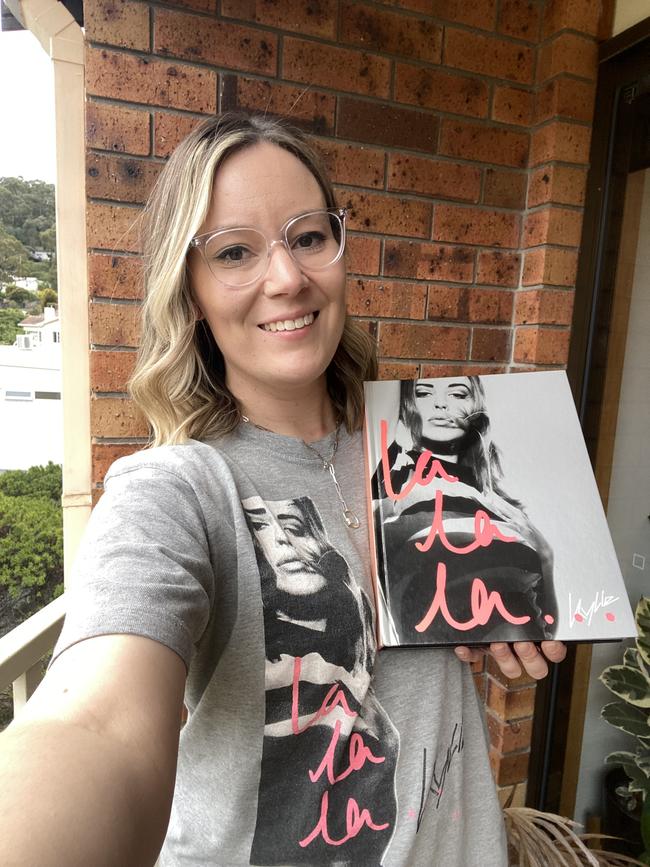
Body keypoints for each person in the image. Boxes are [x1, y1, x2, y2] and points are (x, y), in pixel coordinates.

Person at [0, 113, 566, 867]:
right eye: (235, 251)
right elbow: (93, 725)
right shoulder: (179, 489)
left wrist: (487, 597)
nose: (287, 277)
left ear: (338, 248)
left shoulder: (423, 444)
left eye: (307, 236)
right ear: (191, 290)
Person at [371, 376, 558, 645]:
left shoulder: (503, 507)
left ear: (477, 408)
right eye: (423, 394)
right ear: (407, 406)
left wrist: (546, 558)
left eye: (458, 395)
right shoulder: (391, 487)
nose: (441, 405)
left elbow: (547, 632)